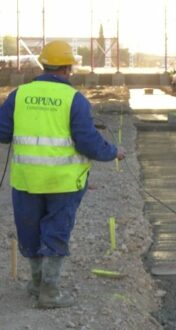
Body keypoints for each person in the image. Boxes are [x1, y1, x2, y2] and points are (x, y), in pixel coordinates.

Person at [0, 40, 125, 308]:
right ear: (68, 68)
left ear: (43, 65)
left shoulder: (18, 95)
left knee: (30, 231)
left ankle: (35, 285)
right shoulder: (74, 100)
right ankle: (50, 293)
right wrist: (113, 152)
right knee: (56, 231)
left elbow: (2, 133)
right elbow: (88, 142)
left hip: (26, 182)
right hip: (63, 183)